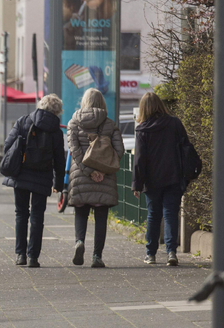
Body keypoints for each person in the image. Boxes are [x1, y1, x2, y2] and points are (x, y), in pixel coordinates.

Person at [2, 94, 66, 268]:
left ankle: (20, 255)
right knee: (38, 217)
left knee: (21, 214)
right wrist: (58, 184)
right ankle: (33, 257)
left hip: (21, 174)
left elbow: (8, 146)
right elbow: (60, 160)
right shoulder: (56, 132)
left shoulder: (23, 121)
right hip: (42, 178)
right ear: (56, 111)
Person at [66, 88, 125, 268]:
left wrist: (87, 170)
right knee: (101, 217)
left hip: (80, 175)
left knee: (81, 212)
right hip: (104, 178)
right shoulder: (109, 124)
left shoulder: (73, 123)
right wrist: (102, 170)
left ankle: (79, 241)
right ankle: (97, 256)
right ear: (102, 102)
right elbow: (119, 151)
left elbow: (74, 151)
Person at [132, 91, 190, 266]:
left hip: (152, 180)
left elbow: (139, 159)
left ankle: (151, 254)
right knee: (171, 213)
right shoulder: (174, 124)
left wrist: (137, 184)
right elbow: (186, 149)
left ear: (143, 109)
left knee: (153, 215)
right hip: (173, 177)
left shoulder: (142, 129)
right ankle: (171, 252)